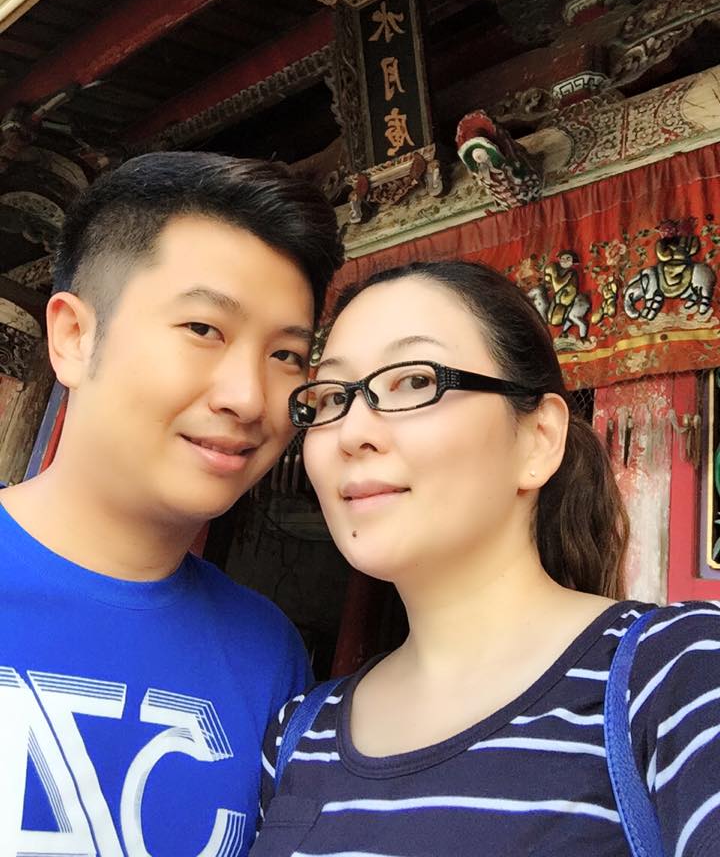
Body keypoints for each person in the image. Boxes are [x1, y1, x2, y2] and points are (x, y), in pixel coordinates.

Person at [253, 260, 720, 856]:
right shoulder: (298, 734)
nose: (350, 432)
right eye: (332, 397)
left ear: (538, 439)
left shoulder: (678, 674)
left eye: (414, 381)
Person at [0, 152, 343, 855]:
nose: (248, 397)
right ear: (74, 336)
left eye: (286, 356)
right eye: (203, 330)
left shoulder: (267, 655)